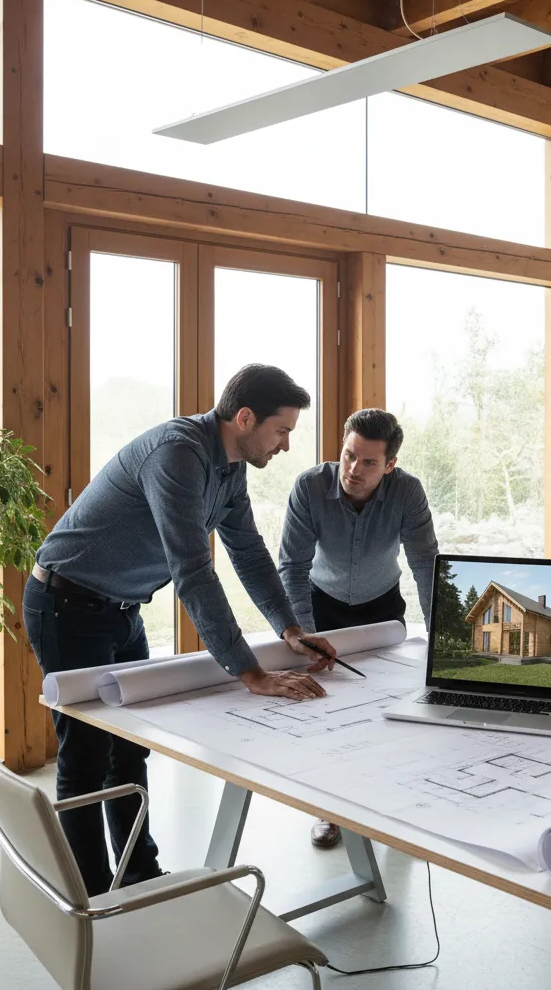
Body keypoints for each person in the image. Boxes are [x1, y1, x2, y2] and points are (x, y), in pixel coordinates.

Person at [24, 364, 336, 896]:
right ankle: (94, 900)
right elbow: (193, 571)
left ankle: (138, 877)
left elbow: (249, 554)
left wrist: (289, 628)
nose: (285, 445)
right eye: (282, 430)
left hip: (120, 611)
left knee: (128, 751)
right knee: (85, 758)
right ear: (244, 418)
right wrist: (249, 672)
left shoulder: (230, 468)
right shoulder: (177, 454)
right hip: (65, 604)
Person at [279, 408, 439, 847]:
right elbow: (291, 566)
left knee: (391, 708)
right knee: (325, 713)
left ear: (390, 465)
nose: (353, 469)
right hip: (321, 607)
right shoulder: (310, 487)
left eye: (369, 462)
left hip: (382, 608)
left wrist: (439, 634)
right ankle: (328, 811)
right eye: (349, 455)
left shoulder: (407, 492)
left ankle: (393, 806)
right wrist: (304, 633)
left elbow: (425, 563)